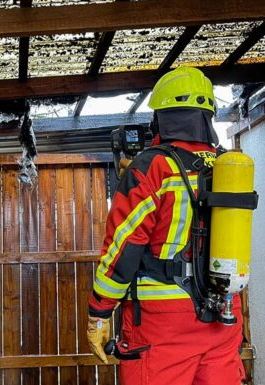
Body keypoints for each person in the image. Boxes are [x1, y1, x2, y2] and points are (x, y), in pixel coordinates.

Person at [86, 66, 245, 385]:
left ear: (162, 117)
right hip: (224, 313)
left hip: (163, 324)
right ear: (206, 116)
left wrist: (100, 312)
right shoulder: (229, 165)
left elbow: (123, 245)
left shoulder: (152, 166)